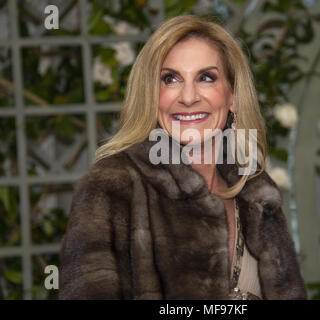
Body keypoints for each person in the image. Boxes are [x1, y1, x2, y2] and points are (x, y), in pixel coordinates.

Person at [59, 14, 307, 300]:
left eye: (206, 77)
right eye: (171, 78)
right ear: (152, 96)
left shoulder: (258, 192)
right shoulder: (114, 186)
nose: (188, 97)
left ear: (232, 97)